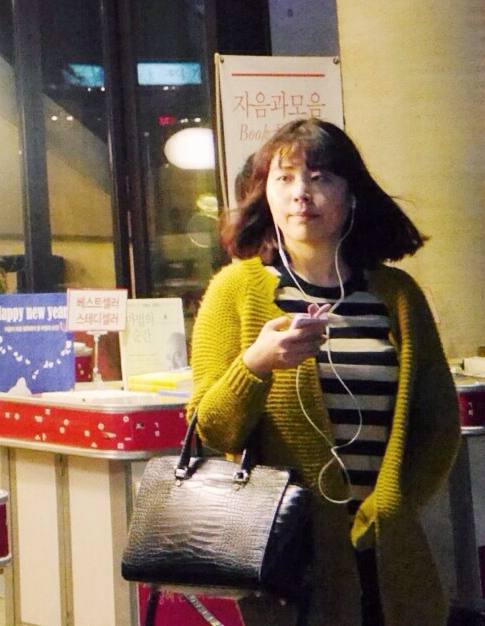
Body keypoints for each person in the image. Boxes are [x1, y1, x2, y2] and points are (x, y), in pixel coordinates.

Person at [191, 118, 459, 626]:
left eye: (321, 178)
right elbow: (212, 429)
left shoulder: (396, 295)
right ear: (265, 195)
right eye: (285, 178)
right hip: (287, 559)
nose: (301, 193)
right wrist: (257, 363)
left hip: (386, 553)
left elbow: (439, 424)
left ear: (352, 195)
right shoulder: (234, 291)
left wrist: (393, 506)